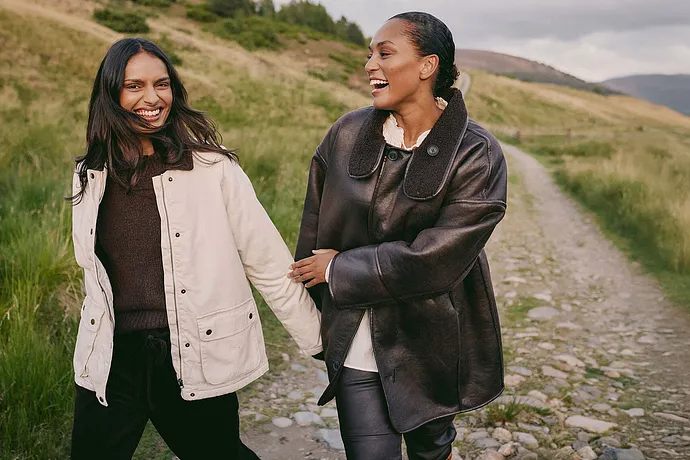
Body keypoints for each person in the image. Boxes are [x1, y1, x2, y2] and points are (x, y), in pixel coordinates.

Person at [69, 37, 323, 460]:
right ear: (111, 95)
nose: (153, 98)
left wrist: (319, 342)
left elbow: (267, 263)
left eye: (161, 84)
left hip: (192, 353)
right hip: (111, 360)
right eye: (134, 86)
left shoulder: (213, 169)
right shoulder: (90, 174)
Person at [288, 11, 508, 460]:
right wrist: (315, 314)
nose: (370, 64)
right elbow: (315, 224)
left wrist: (339, 267)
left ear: (427, 66)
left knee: (432, 451)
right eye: (370, 54)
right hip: (355, 335)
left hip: (432, 341)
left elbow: (437, 259)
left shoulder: (477, 153)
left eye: (385, 54)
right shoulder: (346, 132)